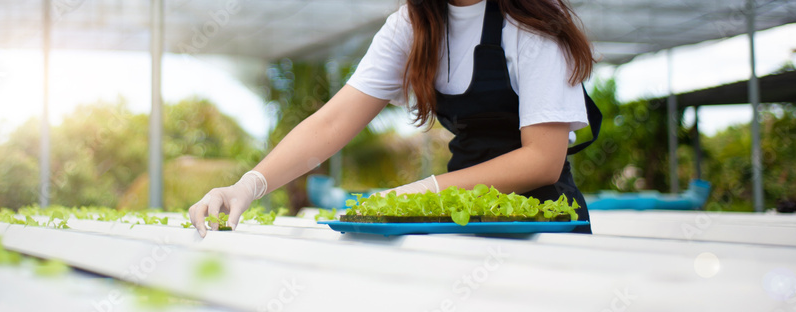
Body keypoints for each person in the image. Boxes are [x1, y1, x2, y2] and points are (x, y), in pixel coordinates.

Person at [189, 0, 602, 237]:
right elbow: (332, 123)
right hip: (463, 219)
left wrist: (420, 193)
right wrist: (250, 184)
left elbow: (542, 159)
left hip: (543, 224)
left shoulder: (532, 22)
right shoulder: (413, 23)